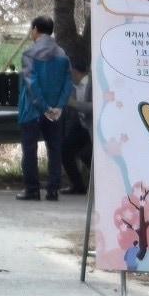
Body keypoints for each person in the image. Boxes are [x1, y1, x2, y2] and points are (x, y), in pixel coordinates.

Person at [16, 16, 74, 201]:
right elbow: (68, 83)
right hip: (56, 112)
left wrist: (44, 107)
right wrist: (58, 106)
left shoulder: (29, 54)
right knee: (55, 150)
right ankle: (53, 190)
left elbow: (32, 85)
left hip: (32, 111)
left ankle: (32, 190)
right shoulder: (63, 55)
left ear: (35, 29)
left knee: (30, 150)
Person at [62, 57, 93, 195]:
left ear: (75, 72)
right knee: (65, 150)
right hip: (80, 125)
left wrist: (72, 103)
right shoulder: (74, 87)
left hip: (91, 126)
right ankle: (77, 185)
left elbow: (92, 107)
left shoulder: (91, 85)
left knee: (87, 154)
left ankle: (98, 183)